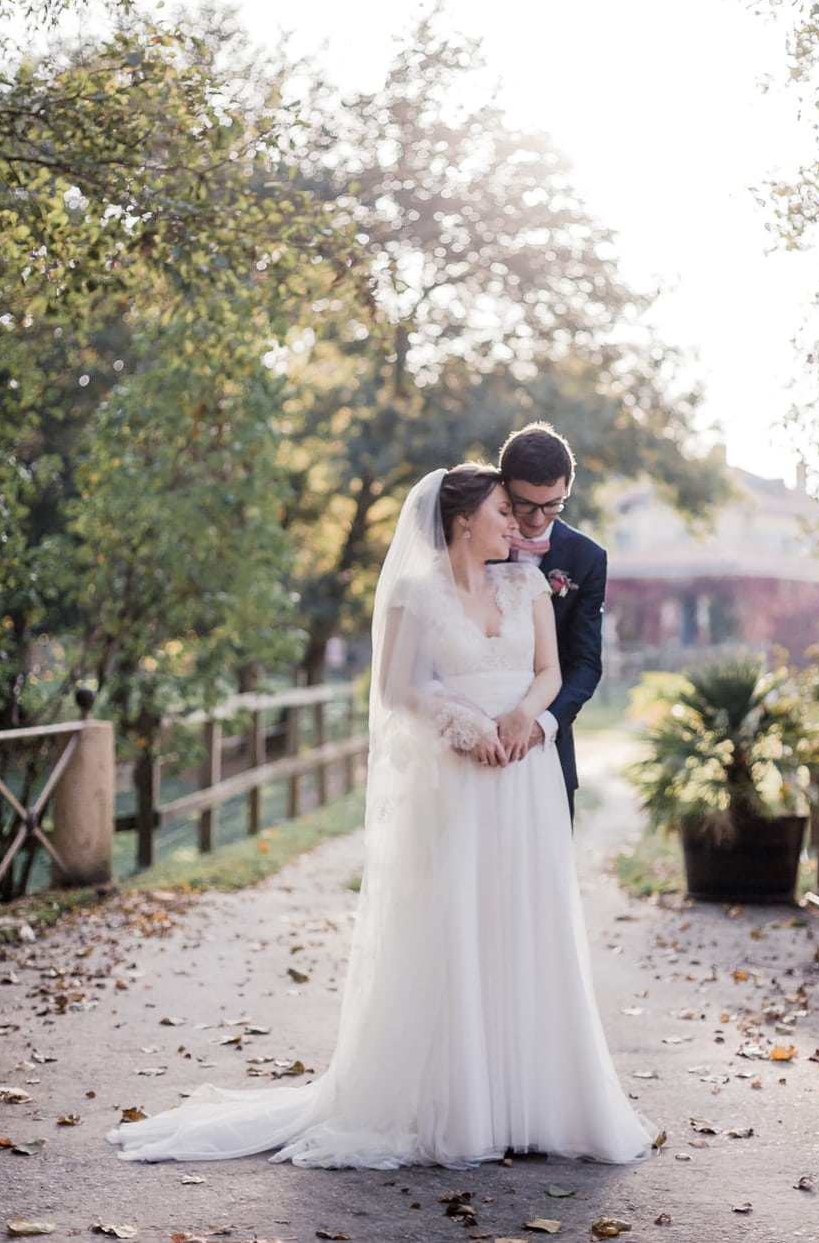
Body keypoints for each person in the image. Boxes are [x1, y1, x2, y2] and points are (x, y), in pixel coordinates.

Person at [107, 464, 649, 1169]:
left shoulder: (529, 586)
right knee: (457, 925)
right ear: (465, 519)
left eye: (536, 512)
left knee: (528, 923)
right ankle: (463, 1100)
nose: (518, 525)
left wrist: (527, 719)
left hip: (527, 774)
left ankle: (534, 1099)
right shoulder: (417, 594)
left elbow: (558, 668)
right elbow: (397, 688)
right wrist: (459, 723)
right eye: (506, 511)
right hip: (460, 776)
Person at [498, 424, 606, 821]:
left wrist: (541, 725)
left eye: (553, 505)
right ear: (505, 486)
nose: (538, 518)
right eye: (526, 505)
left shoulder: (587, 558)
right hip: (476, 729)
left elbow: (586, 663)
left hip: (547, 744)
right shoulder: (473, 542)